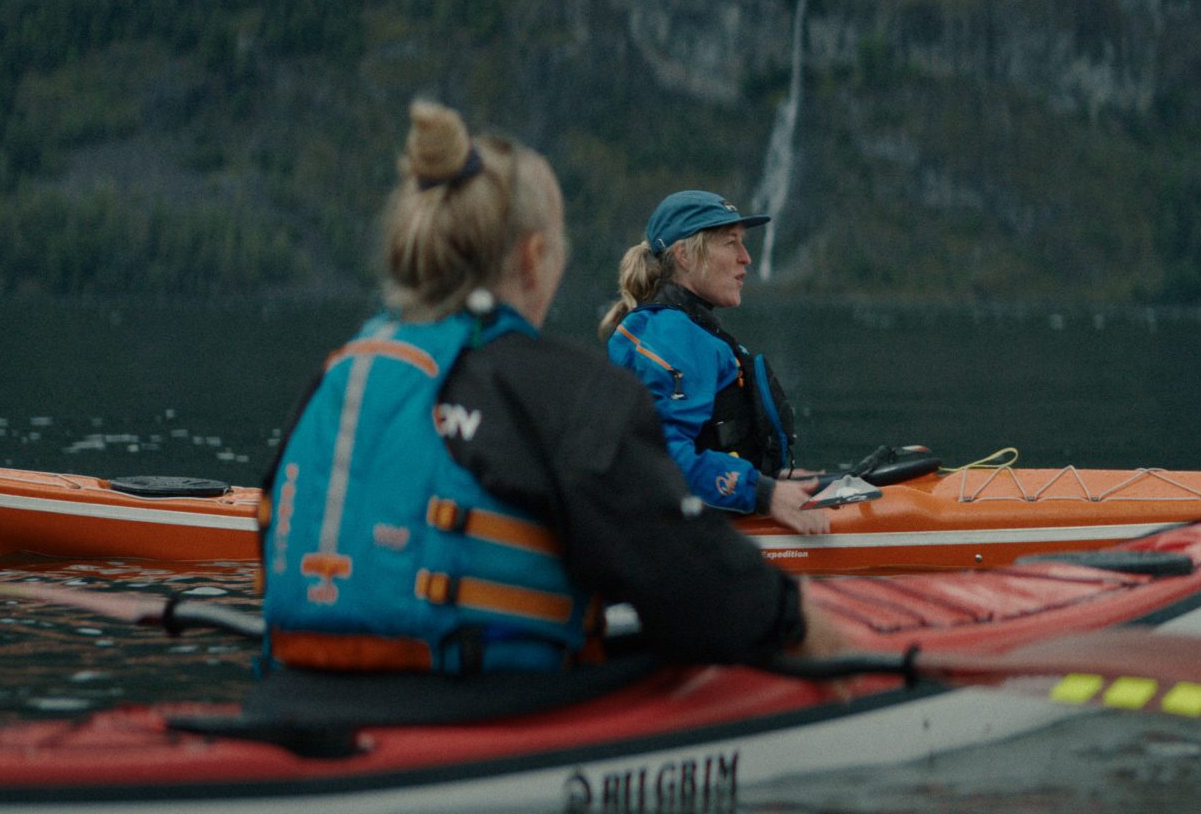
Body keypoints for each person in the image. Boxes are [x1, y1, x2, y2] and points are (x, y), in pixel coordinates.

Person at [256, 101, 845, 677]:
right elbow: (694, 582)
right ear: (536, 258)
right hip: (486, 714)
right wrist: (812, 631)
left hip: (296, 689)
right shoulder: (573, 398)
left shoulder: (340, 373)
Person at [597, 190, 826, 535]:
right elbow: (660, 459)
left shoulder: (676, 326)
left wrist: (773, 480)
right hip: (684, 532)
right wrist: (764, 493)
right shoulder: (675, 334)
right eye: (730, 242)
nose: (746, 258)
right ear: (685, 255)